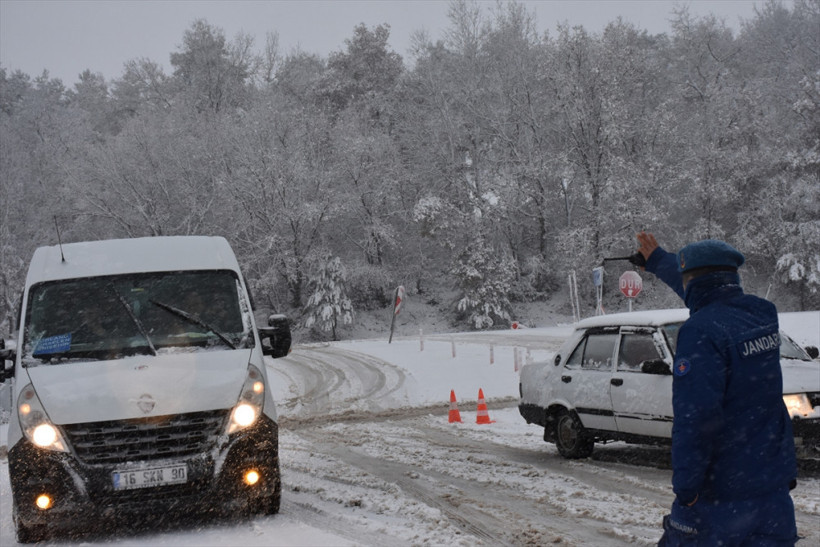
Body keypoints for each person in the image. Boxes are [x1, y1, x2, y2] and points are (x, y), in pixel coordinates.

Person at [635, 232, 798, 546]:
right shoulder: (761, 314)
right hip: (772, 488)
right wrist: (659, 261)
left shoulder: (700, 331)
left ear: (691, 282)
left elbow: (696, 420)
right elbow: (711, 294)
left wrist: (687, 490)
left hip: (720, 496)